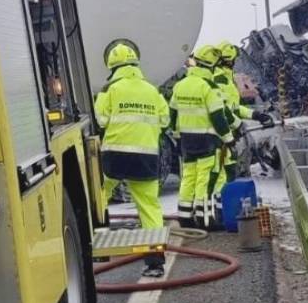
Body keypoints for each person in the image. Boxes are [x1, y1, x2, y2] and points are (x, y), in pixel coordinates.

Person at [94, 41, 171, 276]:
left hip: (114, 157)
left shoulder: (109, 89)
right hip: (146, 157)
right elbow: (165, 121)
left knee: (98, 198)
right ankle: (155, 262)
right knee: (149, 208)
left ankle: (97, 247)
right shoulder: (152, 90)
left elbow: (101, 120)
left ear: (112, 66)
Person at [168, 44, 232, 230]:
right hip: (206, 140)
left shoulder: (180, 85)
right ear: (211, 66)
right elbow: (218, 117)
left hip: (186, 140)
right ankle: (205, 221)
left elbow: (172, 113)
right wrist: (228, 138)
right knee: (204, 178)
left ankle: (185, 217)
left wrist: (177, 133)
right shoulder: (208, 87)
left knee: (188, 177)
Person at [211, 41, 276, 208]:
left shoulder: (226, 79)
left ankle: (228, 208)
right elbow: (222, 111)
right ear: (230, 60)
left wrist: (256, 115)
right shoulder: (218, 81)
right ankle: (221, 209)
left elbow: (234, 108)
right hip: (221, 136)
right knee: (222, 175)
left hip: (229, 135)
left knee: (231, 173)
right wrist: (239, 125)